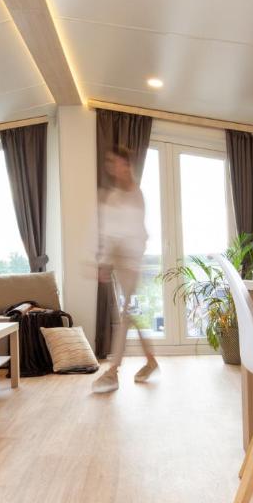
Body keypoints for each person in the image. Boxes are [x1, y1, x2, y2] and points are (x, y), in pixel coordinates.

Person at [94, 145, 158, 393]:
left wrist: (124, 254)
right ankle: (151, 361)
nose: (112, 167)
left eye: (115, 162)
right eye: (109, 162)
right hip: (119, 261)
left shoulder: (136, 195)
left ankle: (113, 371)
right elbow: (108, 234)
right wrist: (104, 262)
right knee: (130, 315)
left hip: (131, 261)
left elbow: (138, 231)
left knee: (125, 315)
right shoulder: (112, 197)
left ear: (127, 165)